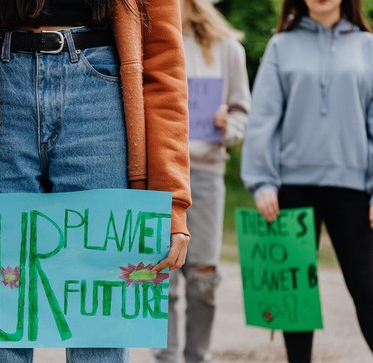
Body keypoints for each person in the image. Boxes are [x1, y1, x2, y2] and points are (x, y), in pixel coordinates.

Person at [0, 0, 192, 361]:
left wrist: (172, 200)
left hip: (101, 90)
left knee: (98, 322)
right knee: (0, 315)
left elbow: (164, 62)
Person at [241, 0, 373, 361]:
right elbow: (263, 119)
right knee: (294, 294)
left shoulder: (370, 47)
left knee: (368, 287)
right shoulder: (280, 46)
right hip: (292, 186)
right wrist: (262, 181)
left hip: (356, 188)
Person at [156, 0, 250, 362]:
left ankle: (198, 356)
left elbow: (242, 110)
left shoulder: (228, 48)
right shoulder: (149, 39)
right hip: (161, 175)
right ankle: (167, 357)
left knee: (203, 276)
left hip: (207, 173)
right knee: (163, 273)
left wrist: (231, 124)